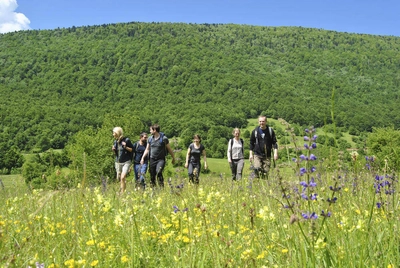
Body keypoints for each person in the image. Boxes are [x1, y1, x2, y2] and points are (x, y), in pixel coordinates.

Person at [112, 127, 134, 193]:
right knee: (119, 178)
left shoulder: (126, 140)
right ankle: (122, 189)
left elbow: (132, 150)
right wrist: (114, 150)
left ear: (117, 133)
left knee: (123, 177)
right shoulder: (116, 142)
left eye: (114, 133)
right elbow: (117, 153)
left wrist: (125, 147)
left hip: (126, 161)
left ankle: (122, 193)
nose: (113, 134)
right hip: (118, 162)